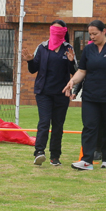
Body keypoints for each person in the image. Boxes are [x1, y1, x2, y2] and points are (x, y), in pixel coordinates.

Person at [63, 20, 106, 171]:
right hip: (90, 96)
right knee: (89, 126)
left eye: (95, 33)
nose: (92, 37)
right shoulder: (88, 49)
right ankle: (87, 161)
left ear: (104, 31)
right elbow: (82, 71)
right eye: (90, 34)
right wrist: (72, 82)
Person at [21, 20, 76, 166]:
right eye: (53, 30)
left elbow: (75, 72)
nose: (55, 33)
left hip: (62, 94)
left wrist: (71, 62)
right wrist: (30, 61)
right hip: (44, 93)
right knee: (44, 122)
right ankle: (39, 152)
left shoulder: (68, 48)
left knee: (58, 125)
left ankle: (55, 156)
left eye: (59, 30)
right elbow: (33, 69)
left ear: (64, 32)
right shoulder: (42, 47)